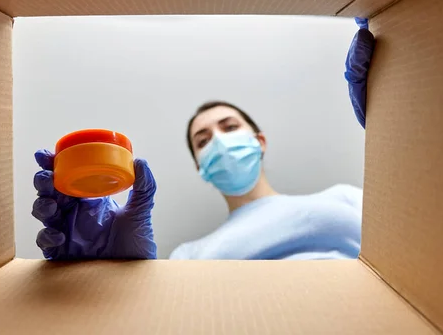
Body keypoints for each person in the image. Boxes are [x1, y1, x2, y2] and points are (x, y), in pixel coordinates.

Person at [31, 18, 375, 260]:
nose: (219, 142)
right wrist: (113, 279)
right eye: (203, 139)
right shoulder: (190, 255)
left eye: (229, 127)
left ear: (260, 141)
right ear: (201, 166)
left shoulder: (346, 198)